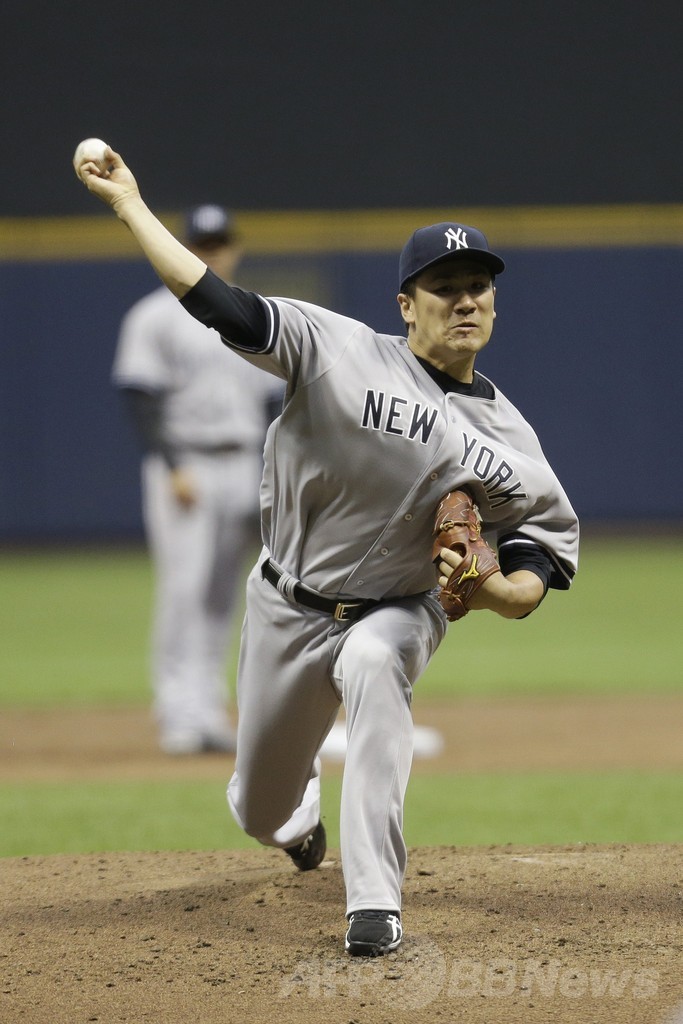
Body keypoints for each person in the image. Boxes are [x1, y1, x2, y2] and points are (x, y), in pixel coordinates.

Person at [76, 146, 579, 957]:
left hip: (398, 606)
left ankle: (374, 902)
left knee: (377, 663)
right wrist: (130, 205)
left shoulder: (511, 440)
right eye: (443, 287)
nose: (464, 300)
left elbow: (535, 561)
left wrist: (493, 589)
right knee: (259, 810)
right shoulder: (335, 348)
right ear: (405, 305)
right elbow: (214, 300)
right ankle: (295, 817)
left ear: (493, 304)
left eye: (477, 287)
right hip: (288, 601)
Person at [112, 204, 282, 755]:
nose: (213, 253)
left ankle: (206, 707)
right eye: (203, 245)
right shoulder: (154, 316)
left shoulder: (251, 313)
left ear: (235, 248)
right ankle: (176, 710)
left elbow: (272, 401)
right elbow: (140, 396)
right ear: (185, 247)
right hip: (186, 464)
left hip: (244, 462)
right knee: (184, 590)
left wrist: (271, 470)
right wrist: (171, 465)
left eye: (220, 244)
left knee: (224, 592)